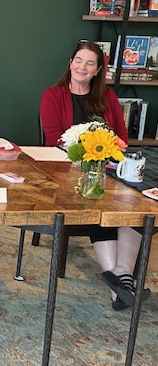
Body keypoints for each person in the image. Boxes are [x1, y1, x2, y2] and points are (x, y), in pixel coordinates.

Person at [40, 40, 150, 310]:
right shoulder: (53, 95)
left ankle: (120, 279)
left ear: (98, 69)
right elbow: (54, 140)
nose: (82, 67)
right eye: (78, 60)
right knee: (97, 204)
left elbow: (121, 137)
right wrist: (86, 158)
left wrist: (107, 155)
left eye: (90, 63)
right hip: (67, 172)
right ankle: (121, 283)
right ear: (70, 64)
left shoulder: (107, 98)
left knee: (133, 205)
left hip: (107, 169)